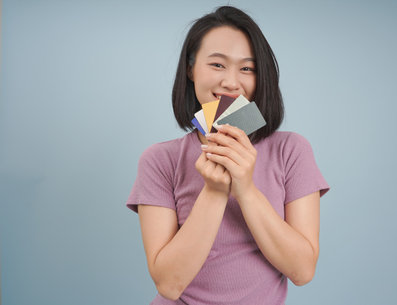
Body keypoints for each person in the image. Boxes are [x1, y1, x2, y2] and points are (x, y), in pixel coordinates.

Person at [126, 6, 330, 305]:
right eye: (217, 65)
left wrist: (245, 188)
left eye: (247, 68)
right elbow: (169, 284)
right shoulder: (160, 160)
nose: (232, 83)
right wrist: (214, 191)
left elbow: (302, 271)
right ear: (191, 69)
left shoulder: (291, 150)